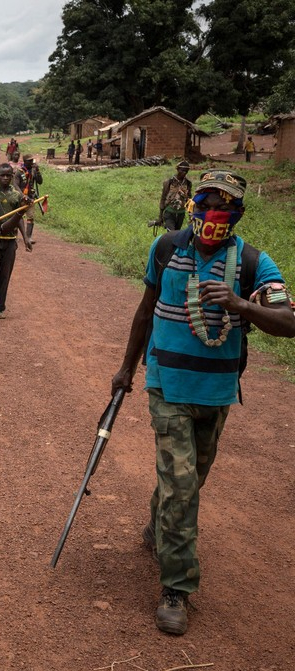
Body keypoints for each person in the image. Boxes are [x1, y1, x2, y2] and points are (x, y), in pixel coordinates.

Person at [111, 169, 295, 635]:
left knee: (190, 480)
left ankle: (159, 527)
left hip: (216, 392)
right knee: (181, 486)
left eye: (223, 206)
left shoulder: (253, 262)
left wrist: (241, 305)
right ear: (192, 205)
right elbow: (145, 310)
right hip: (167, 386)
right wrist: (126, 369)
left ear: (238, 214)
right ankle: (176, 587)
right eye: (205, 202)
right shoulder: (166, 248)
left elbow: (288, 323)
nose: (212, 213)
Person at [0, 163, 34, 320]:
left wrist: (25, 237)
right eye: (3, 175)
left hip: (10, 240)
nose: (6, 178)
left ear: (13, 177)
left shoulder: (17, 196)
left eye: (9, 175)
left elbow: (19, 218)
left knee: (5, 275)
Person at [15, 154, 43, 240]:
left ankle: (28, 237)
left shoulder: (34, 171)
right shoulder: (19, 172)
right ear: (25, 161)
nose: (31, 162)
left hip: (30, 197)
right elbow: (16, 185)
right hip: (20, 198)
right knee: (17, 217)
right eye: (29, 161)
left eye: (32, 160)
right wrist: (22, 195)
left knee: (30, 217)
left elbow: (40, 182)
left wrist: (38, 171)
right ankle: (14, 235)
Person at [158, 161, 192, 232]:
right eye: (182, 170)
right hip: (169, 212)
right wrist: (160, 217)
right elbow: (163, 198)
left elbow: (189, 200)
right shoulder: (169, 182)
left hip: (181, 213)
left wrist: (190, 215)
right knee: (171, 232)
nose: (184, 173)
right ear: (178, 169)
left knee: (176, 233)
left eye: (186, 171)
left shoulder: (188, 183)